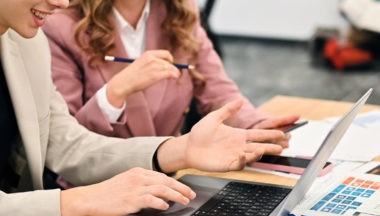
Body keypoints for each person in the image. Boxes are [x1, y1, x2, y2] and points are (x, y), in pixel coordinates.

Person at [0, 0, 287, 216]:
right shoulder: (52, 28)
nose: (62, 2)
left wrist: (179, 150)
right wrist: (78, 199)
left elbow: (66, 144)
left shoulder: (26, 43)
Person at [42, 0, 299, 140]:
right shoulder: (61, 24)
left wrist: (255, 125)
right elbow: (64, 138)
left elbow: (218, 91)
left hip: (169, 180)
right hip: (97, 188)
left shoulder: (180, 11)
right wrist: (115, 93)